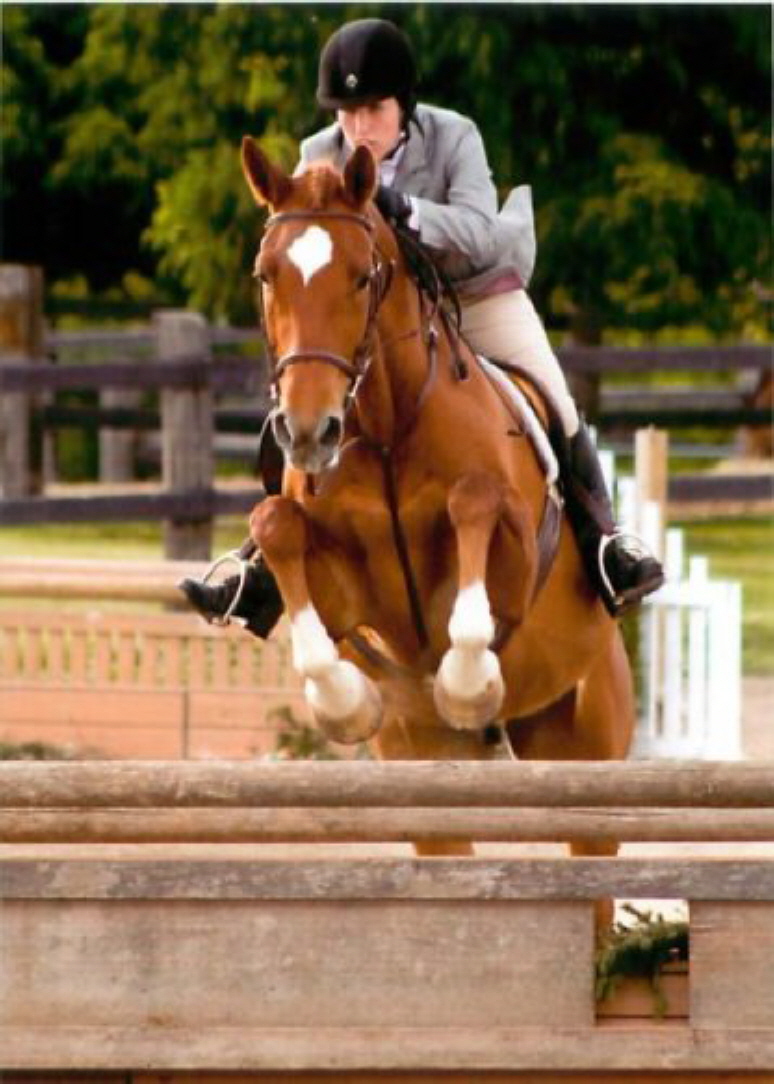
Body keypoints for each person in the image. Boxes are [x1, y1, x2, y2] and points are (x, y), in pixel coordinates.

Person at [181, 17, 663, 633]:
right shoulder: (316, 156)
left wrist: (403, 208)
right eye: (347, 112)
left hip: (476, 291)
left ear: (403, 104)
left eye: (373, 110)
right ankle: (262, 569)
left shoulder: (456, 136)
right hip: (384, 313)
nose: (358, 127)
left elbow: (482, 233)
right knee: (305, 399)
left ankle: (606, 542)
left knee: (556, 400)